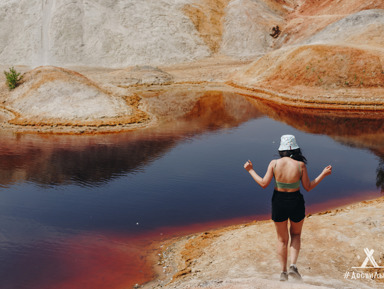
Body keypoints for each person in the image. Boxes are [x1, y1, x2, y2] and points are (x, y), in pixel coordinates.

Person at [243, 134, 332, 281]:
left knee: (281, 240)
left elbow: (264, 184)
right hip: (296, 201)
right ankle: (293, 267)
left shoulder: (274, 164)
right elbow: (308, 187)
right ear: (295, 149)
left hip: (278, 201)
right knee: (296, 235)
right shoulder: (300, 165)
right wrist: (323, 174)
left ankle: (283, 273)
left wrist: (250, 170)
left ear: (281, 150)